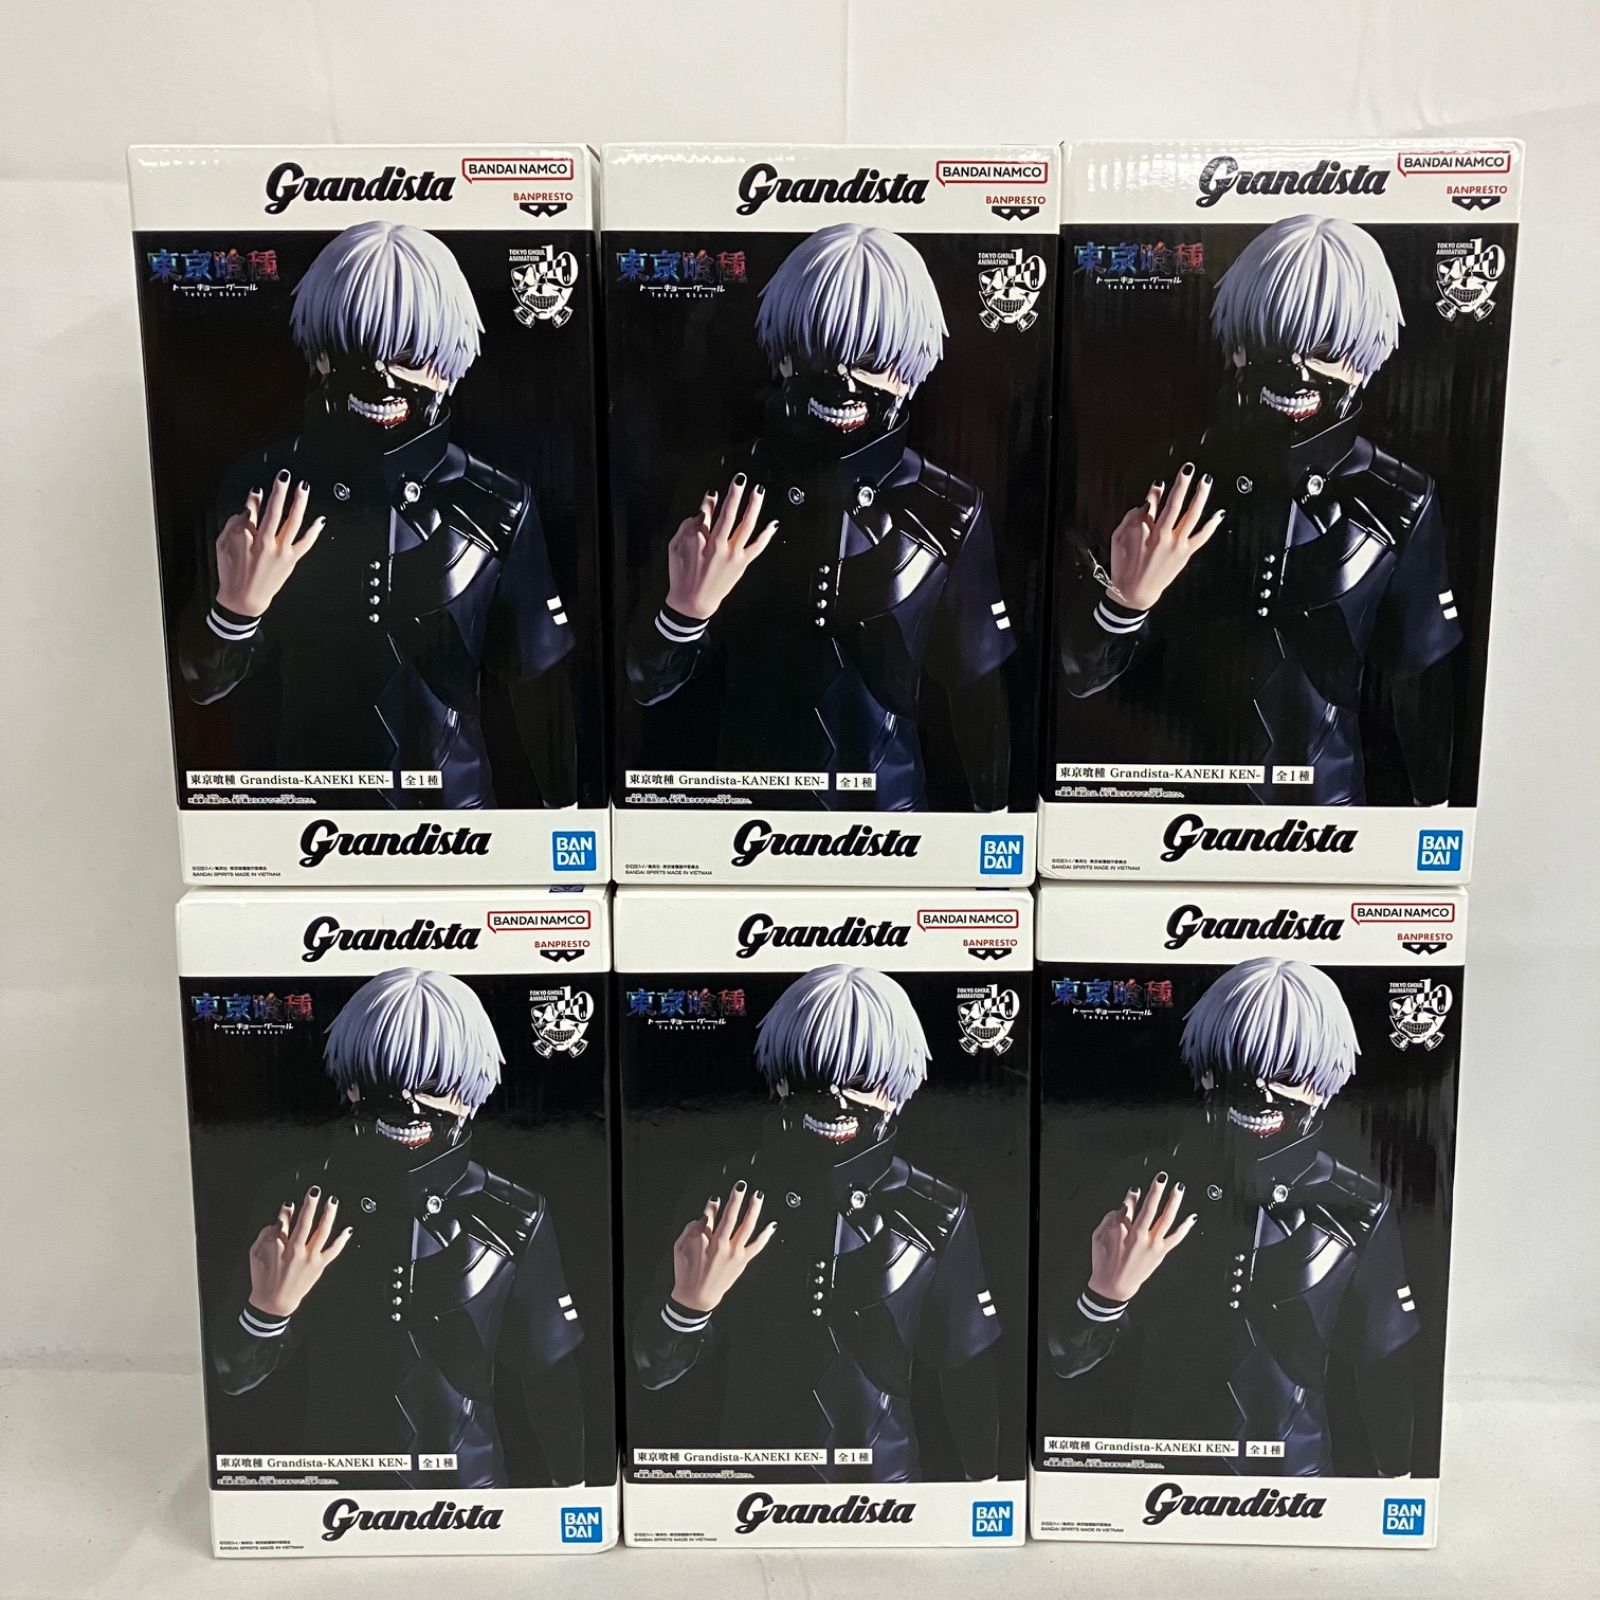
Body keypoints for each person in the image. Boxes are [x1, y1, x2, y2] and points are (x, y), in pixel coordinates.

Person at [1058, 214, 1461, 806]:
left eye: (1326, 348)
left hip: (1328, 819)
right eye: (1273, 343)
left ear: (1362, 359)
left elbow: (1421, 685)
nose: (1295, 370)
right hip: (1171, 813)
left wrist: (1435, 830)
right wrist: (1125, 603)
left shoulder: (1400, 496)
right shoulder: (1168, 475)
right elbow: (1077, 679)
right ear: (1239, 344)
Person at [180, 221, 577, 808]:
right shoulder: (263, 485)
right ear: (320, 354)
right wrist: (236, 609)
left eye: (411, 354)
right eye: (355, 349)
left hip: (459, 823)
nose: (381, 376)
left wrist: (565, 824)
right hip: (306, 824)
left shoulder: (498, 500)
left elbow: (540, 682)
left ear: (447, 364)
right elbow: (200, 684)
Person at [625, 223, 1016, 812]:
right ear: (784, 353)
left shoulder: (951, 507)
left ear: (909, 371)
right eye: (819, 350)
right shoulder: (720, 485)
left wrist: (998, 835)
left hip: (893, 829)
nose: (842, 378)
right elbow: (644, 685)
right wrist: (684, 611)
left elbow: (980, 697)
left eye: (874, 358)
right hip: (742, 828)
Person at [210, 967, 586, 1489]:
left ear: (468, 1092)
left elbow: (550, 1377)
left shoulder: (516, 1212)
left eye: (433, 1084)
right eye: (385, 1080)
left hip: (475, 1496)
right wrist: (267, 1311)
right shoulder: (297, 1200)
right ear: (353, 1083)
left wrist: (574, 1497)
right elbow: (232, 1377)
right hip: (332, 1495)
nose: (408, 1103)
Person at [1045, 957, 1418, 1477]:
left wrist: (1396, 1491)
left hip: (1298, 1486)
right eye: (1239, 1066)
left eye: (1287, 1073)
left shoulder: (1360, 1205)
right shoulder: (1141, 1186)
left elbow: (1384, 1370)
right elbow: (1064, 1362)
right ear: (1206, 1069)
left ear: (1322, 1084)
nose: (1260, 1092)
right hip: (1156, 1479)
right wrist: (1106, 1294)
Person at [632, 964, 1001, 1482]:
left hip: (888, 1493)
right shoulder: (724, 1191)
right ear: (782, 1078)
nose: (834, 1098)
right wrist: (689, 1305)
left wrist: (985, 1495)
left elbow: (967, 1375)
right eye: (811, 1075)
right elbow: (653, 1373)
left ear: (896, 1088)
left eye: (861, 1079)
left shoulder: (938, 1208)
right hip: (746, 1491)